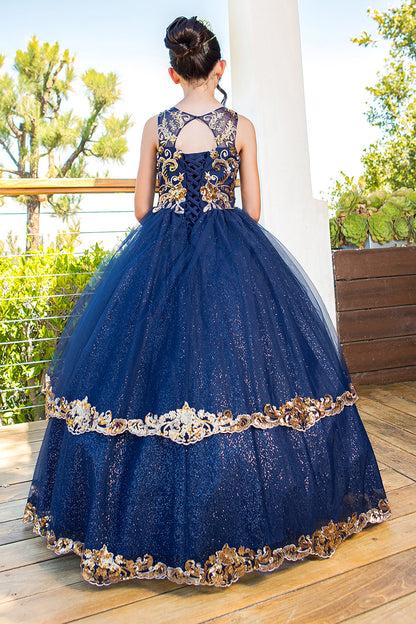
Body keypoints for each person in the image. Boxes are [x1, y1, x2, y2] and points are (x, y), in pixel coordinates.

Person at [23, 15, 391, 588]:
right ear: (219, 68)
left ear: (174, 72)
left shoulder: (154, 127)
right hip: (232, 253)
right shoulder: (240, 126)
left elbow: (141, 209)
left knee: (152, 375)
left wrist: (175, 222)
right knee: (239, 371)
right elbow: (254, 212)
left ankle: (136, 521)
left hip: (161, 255)